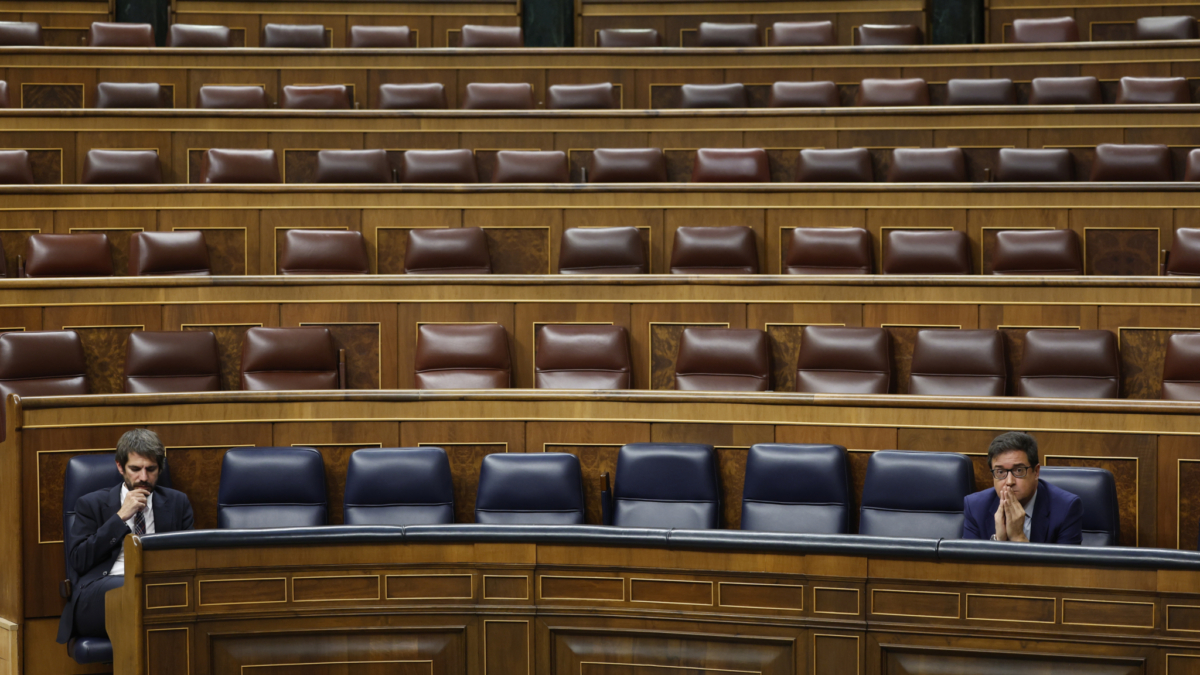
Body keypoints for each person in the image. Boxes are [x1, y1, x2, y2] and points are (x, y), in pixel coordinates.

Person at [56, 429, 194, 645]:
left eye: (151, 469)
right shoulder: (90, 504)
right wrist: (120, 518)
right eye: (135, 469)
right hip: (101, 592)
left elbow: (189, 557)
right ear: (120, 467)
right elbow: (79, 561)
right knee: (140, 591)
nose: (143, 478)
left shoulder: (178, 503)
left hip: (160, 588)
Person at [962, 431, 1083, 544]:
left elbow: (1064, 567)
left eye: (1019, 470)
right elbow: (968, 565)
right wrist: (998, 540)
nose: (1009, 481)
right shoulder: (975, 507)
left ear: (1036, 472)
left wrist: (1018, 537)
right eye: (1000, 472)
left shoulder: (1065, 508)